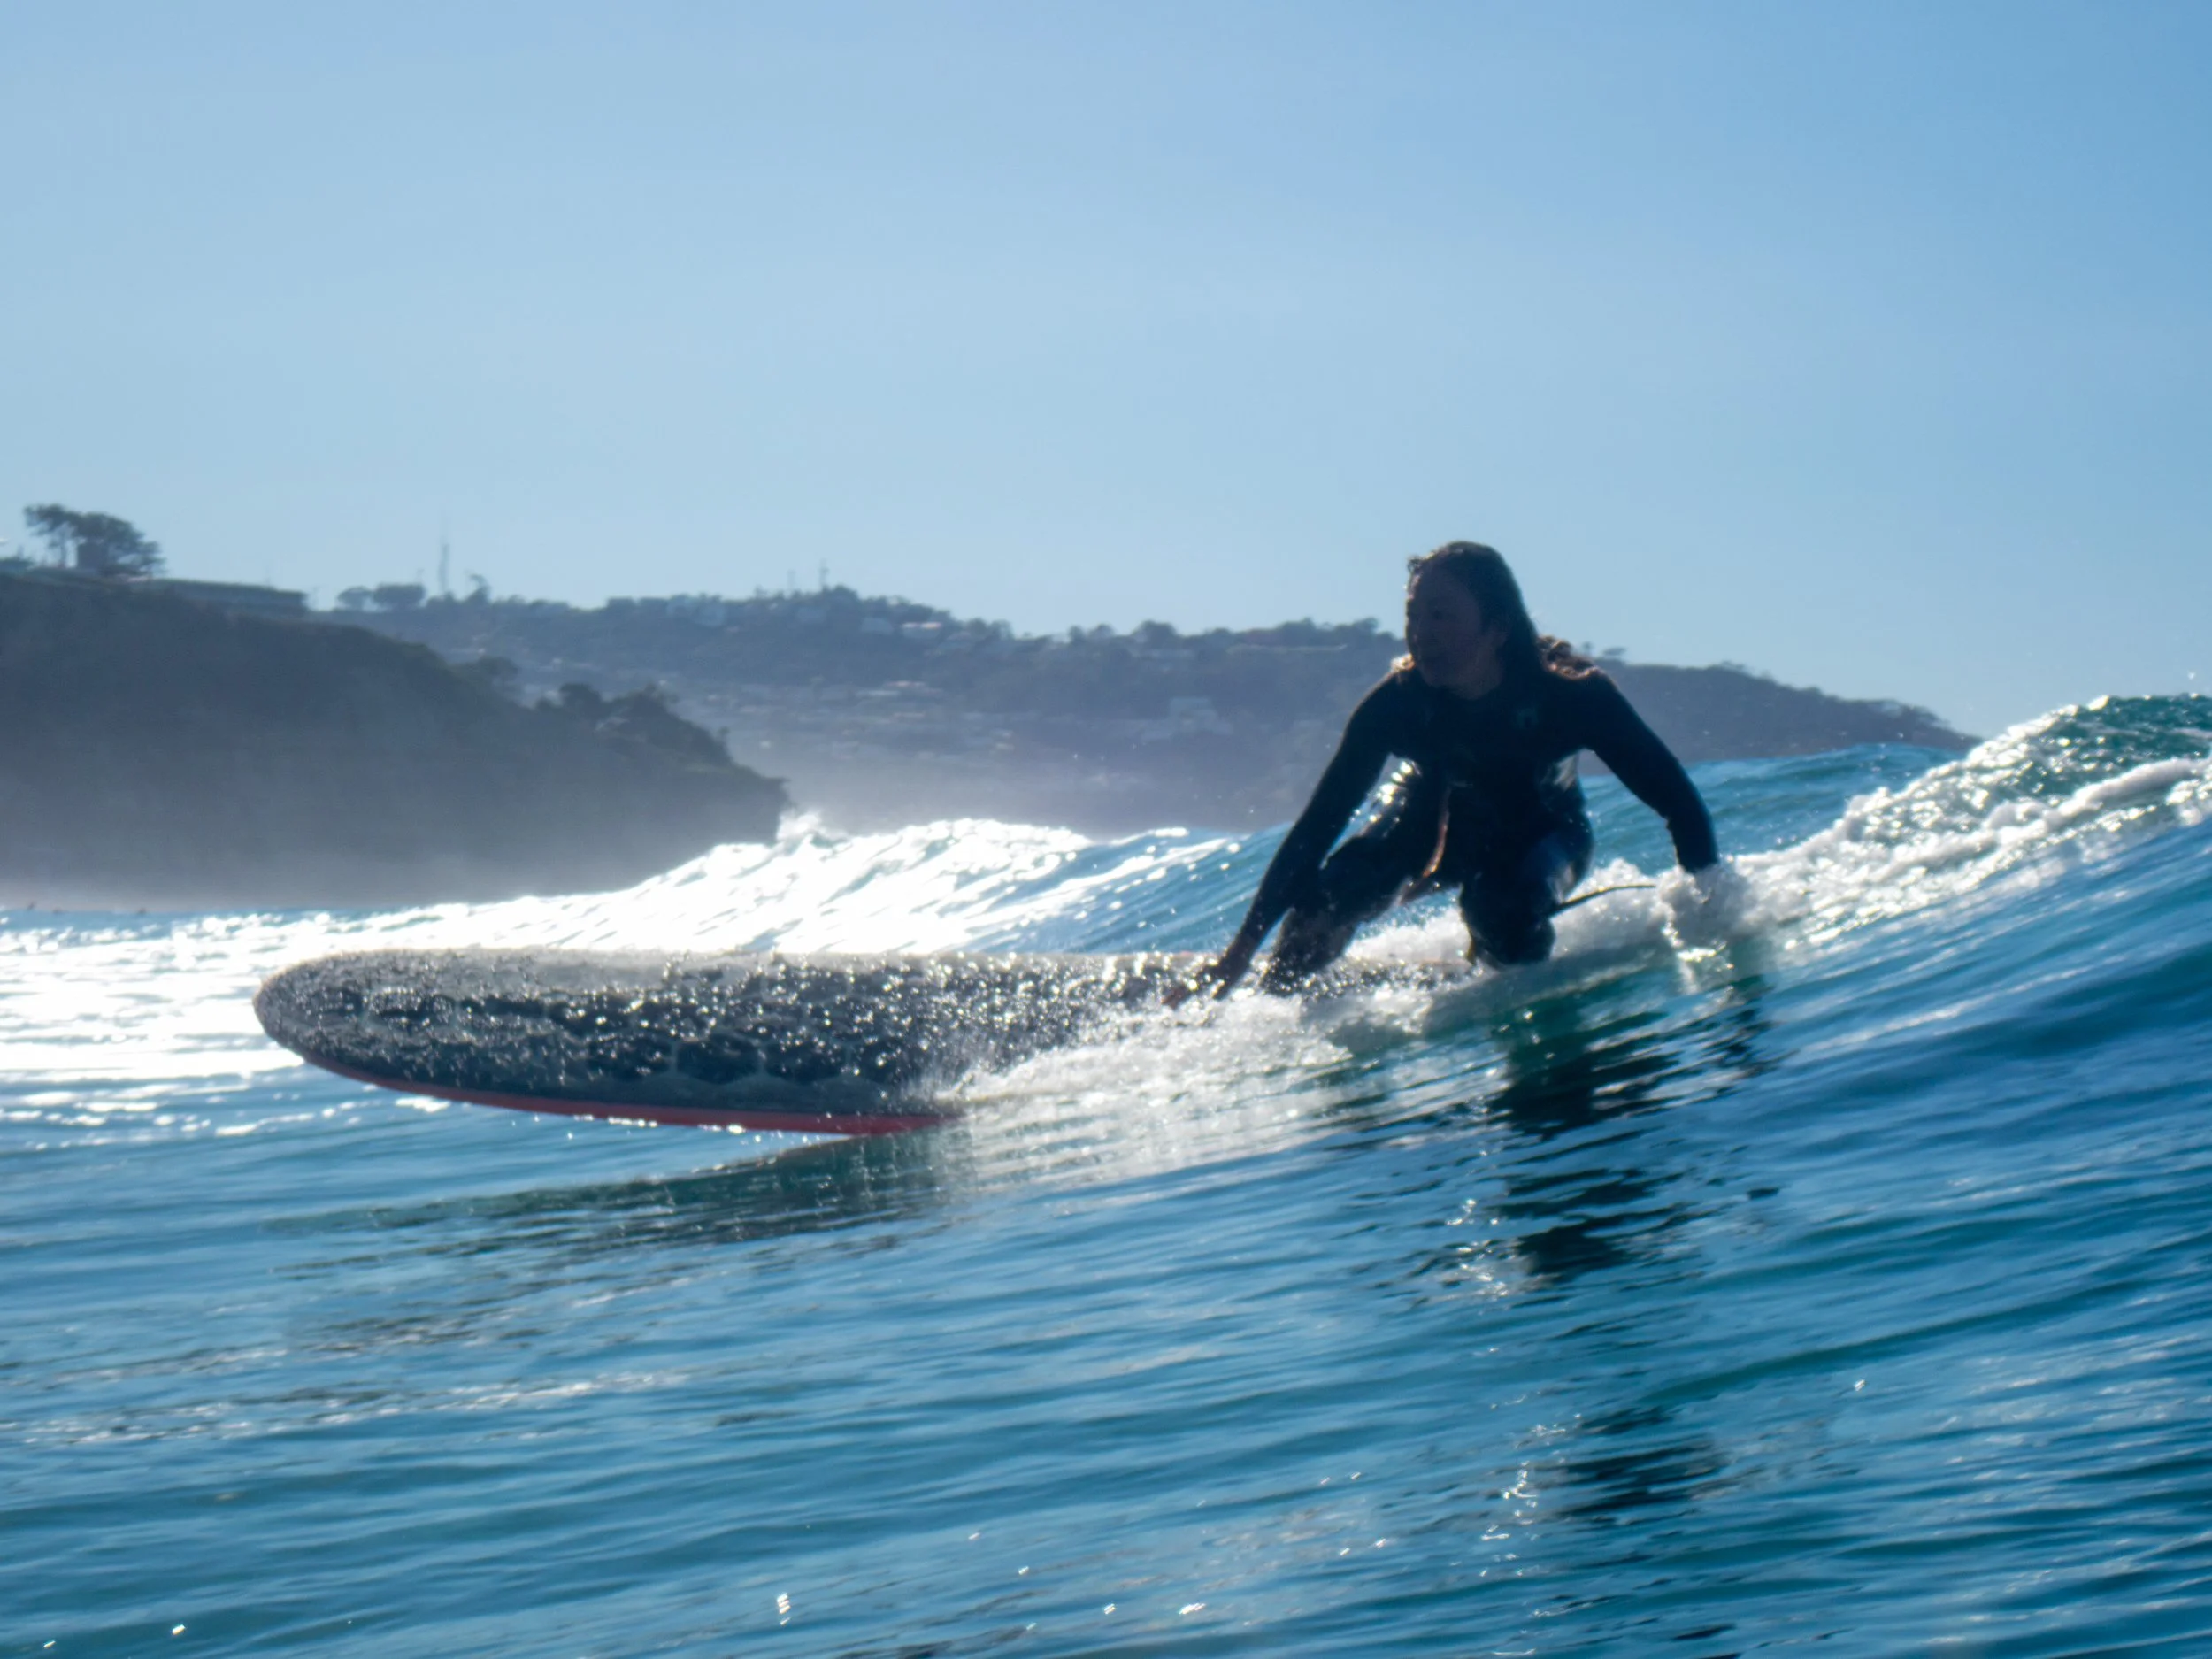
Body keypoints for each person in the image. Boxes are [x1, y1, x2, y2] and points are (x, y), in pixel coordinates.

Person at [1198, 541, 1719, 994]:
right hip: (1426, 817)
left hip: (1541, 828)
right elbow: (1318, 827)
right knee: (1327, 902)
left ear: (1497, 628)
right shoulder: (1397, 704)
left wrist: (1710, 906)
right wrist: (1242, 950)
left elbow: (1678, 803)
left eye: (1440, 615)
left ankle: (1510, 989)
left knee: (1502, 912)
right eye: (1414, 616)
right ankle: (1292, 1024)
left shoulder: (1571, 696)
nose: (1420, 633)